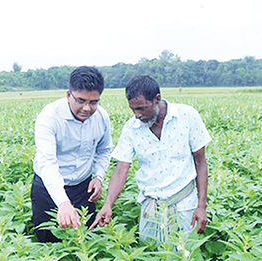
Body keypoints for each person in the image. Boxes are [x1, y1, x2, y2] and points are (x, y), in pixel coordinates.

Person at [90, 75, 211, 242]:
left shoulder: (187, 116)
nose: (137, 115)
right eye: (133, 110)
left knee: (185, 259)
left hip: (184, 203)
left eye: (142, 108)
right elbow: (121, 169)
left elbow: (200, 162)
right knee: (152, 259)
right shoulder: (131, 128)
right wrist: (108, 204)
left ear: (157, 99)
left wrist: (201, 206)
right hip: (151, 206)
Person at [31, 66, 113, 242]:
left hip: (83, 189)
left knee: (85, 240)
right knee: (49, 244)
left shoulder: (101, 117)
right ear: (69, 95)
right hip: (48, 189)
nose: (87, 108)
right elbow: (47, 163)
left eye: (93, 102)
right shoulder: (49, 117)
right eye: (80, 100)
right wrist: (63, 203)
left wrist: (98, 177)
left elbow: (104, 149)